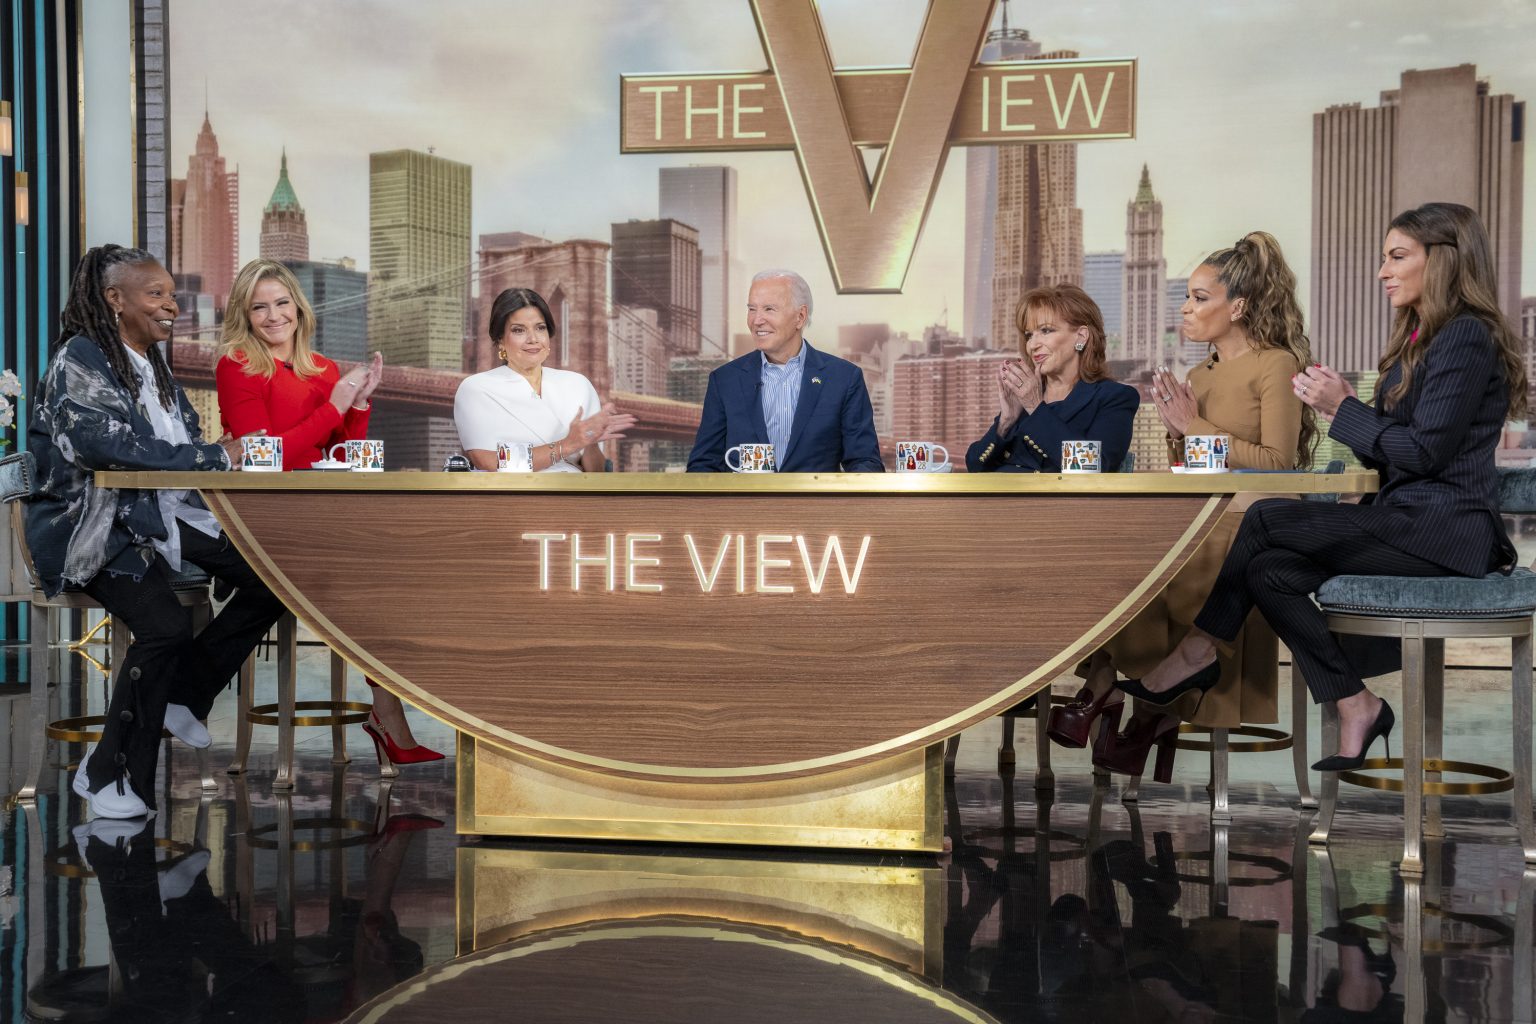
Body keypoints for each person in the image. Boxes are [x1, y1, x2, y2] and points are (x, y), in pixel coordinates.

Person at [1115, 202, 1526, 772]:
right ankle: (1355, 701)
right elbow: (1396, 448)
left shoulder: (1464, 338)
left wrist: (1342, 407)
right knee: (1267, 572)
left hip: (1445, 534)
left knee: (1264, 519)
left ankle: (1196, 651)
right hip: (1406, 521)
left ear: (1443, 262)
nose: (1383, 270)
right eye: (1384, 257)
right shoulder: (1419, 339)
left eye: (1397, 256)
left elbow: (1426, 453)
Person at [26, 245, 286, 819]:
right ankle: (108, 774)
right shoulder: (81, 357)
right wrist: (217, 457)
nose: (171, 306)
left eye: (171, 294)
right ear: (114, 300)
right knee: (164, 626)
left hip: (160, 514)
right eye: (156, 295)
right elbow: (103, 447)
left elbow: (175, 447)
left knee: (276, 580)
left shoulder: (153, 365)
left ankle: (183, 696)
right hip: (93, 525)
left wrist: (208, 462)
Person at [1047, 233, 1314, 780]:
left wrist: (1190, 425)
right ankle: (1141, 705)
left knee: (1172, 566)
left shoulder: (1275, 364)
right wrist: (1178, 432)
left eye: (1197, 298)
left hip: (1252, 522)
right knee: (1128, 555)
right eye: (1186, 298)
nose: (1184, 309)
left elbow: (1278, 461)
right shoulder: (1197, 376)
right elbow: (1197, 464)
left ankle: (1111, 693)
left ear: (1236, 307)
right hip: (1203, 514)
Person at [216, 259, 441, 767]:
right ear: (244, 316)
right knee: (372, 580)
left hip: (319, 513)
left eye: (281, 303)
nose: (273, 316)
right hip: (264, 517)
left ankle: (390, 712)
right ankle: (389, 716)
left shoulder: (326, 370)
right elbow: (265, 460)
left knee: (390, 576)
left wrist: (359, 405)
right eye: (258, 307)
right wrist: (335, 406)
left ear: (298, 305)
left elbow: (343, 457)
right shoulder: (238, 365)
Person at [688, 270, 884, 472]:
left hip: (816, 503)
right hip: (747, 504)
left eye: (769, 309)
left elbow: (866, 463)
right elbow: (703, 465)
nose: (756, 320)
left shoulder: (843, 378)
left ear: (800, 316)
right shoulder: (724, 381)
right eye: (752, 309)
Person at [455, 287, 634, 471]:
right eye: (519, 330)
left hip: (575, 496)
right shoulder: (477, 388)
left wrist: (589, 443)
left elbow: (595, 472)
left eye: (540, 328)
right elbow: (488, 461)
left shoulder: (578, 385)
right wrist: (568, 445)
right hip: (511, 497)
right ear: (500, 339)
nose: (533, 339)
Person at [967, 284, 1138, 473]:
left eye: (1046, 331)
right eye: (1029, 335)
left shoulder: (1114, 397)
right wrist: (1005, 422)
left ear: (1081, 337)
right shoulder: (1024, 398)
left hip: (1057, 502)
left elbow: (1094, 467)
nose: (1032, 344)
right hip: (1001, 501)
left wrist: (1035, 407)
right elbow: (975, 466)